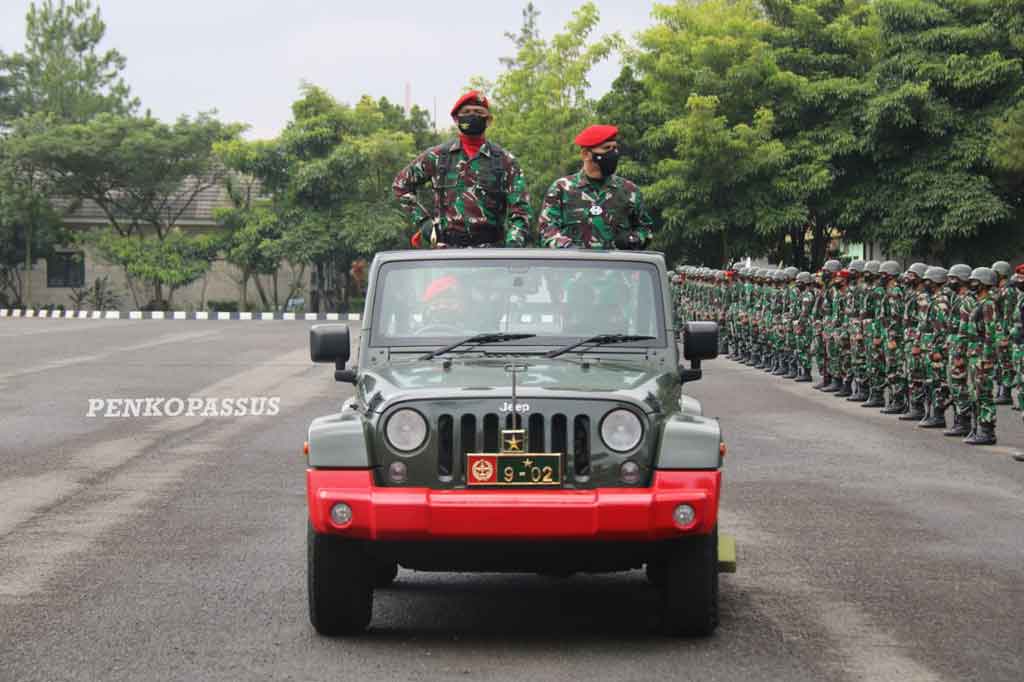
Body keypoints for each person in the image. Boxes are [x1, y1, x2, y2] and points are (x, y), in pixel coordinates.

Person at [393, 91, 531, 248]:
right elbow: (401, 184)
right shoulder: (437, 157)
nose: (472, 116)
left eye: (479, 112)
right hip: (447, 254)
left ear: (489, 120)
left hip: (492, 255)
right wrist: (424, 222)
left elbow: (521, 212)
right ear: (456, 119)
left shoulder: (505, 162)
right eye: (466, 112)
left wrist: (512, 248)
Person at [539, 124, 654, 249]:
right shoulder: (562, 189)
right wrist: (568, 248)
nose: (613, 153)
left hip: (618, 266)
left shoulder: (629, 190)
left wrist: (632, 240)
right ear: (586, 154)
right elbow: (546, 229)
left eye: (615, 148)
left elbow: (646, 229)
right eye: (607, 148)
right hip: (572, 266)